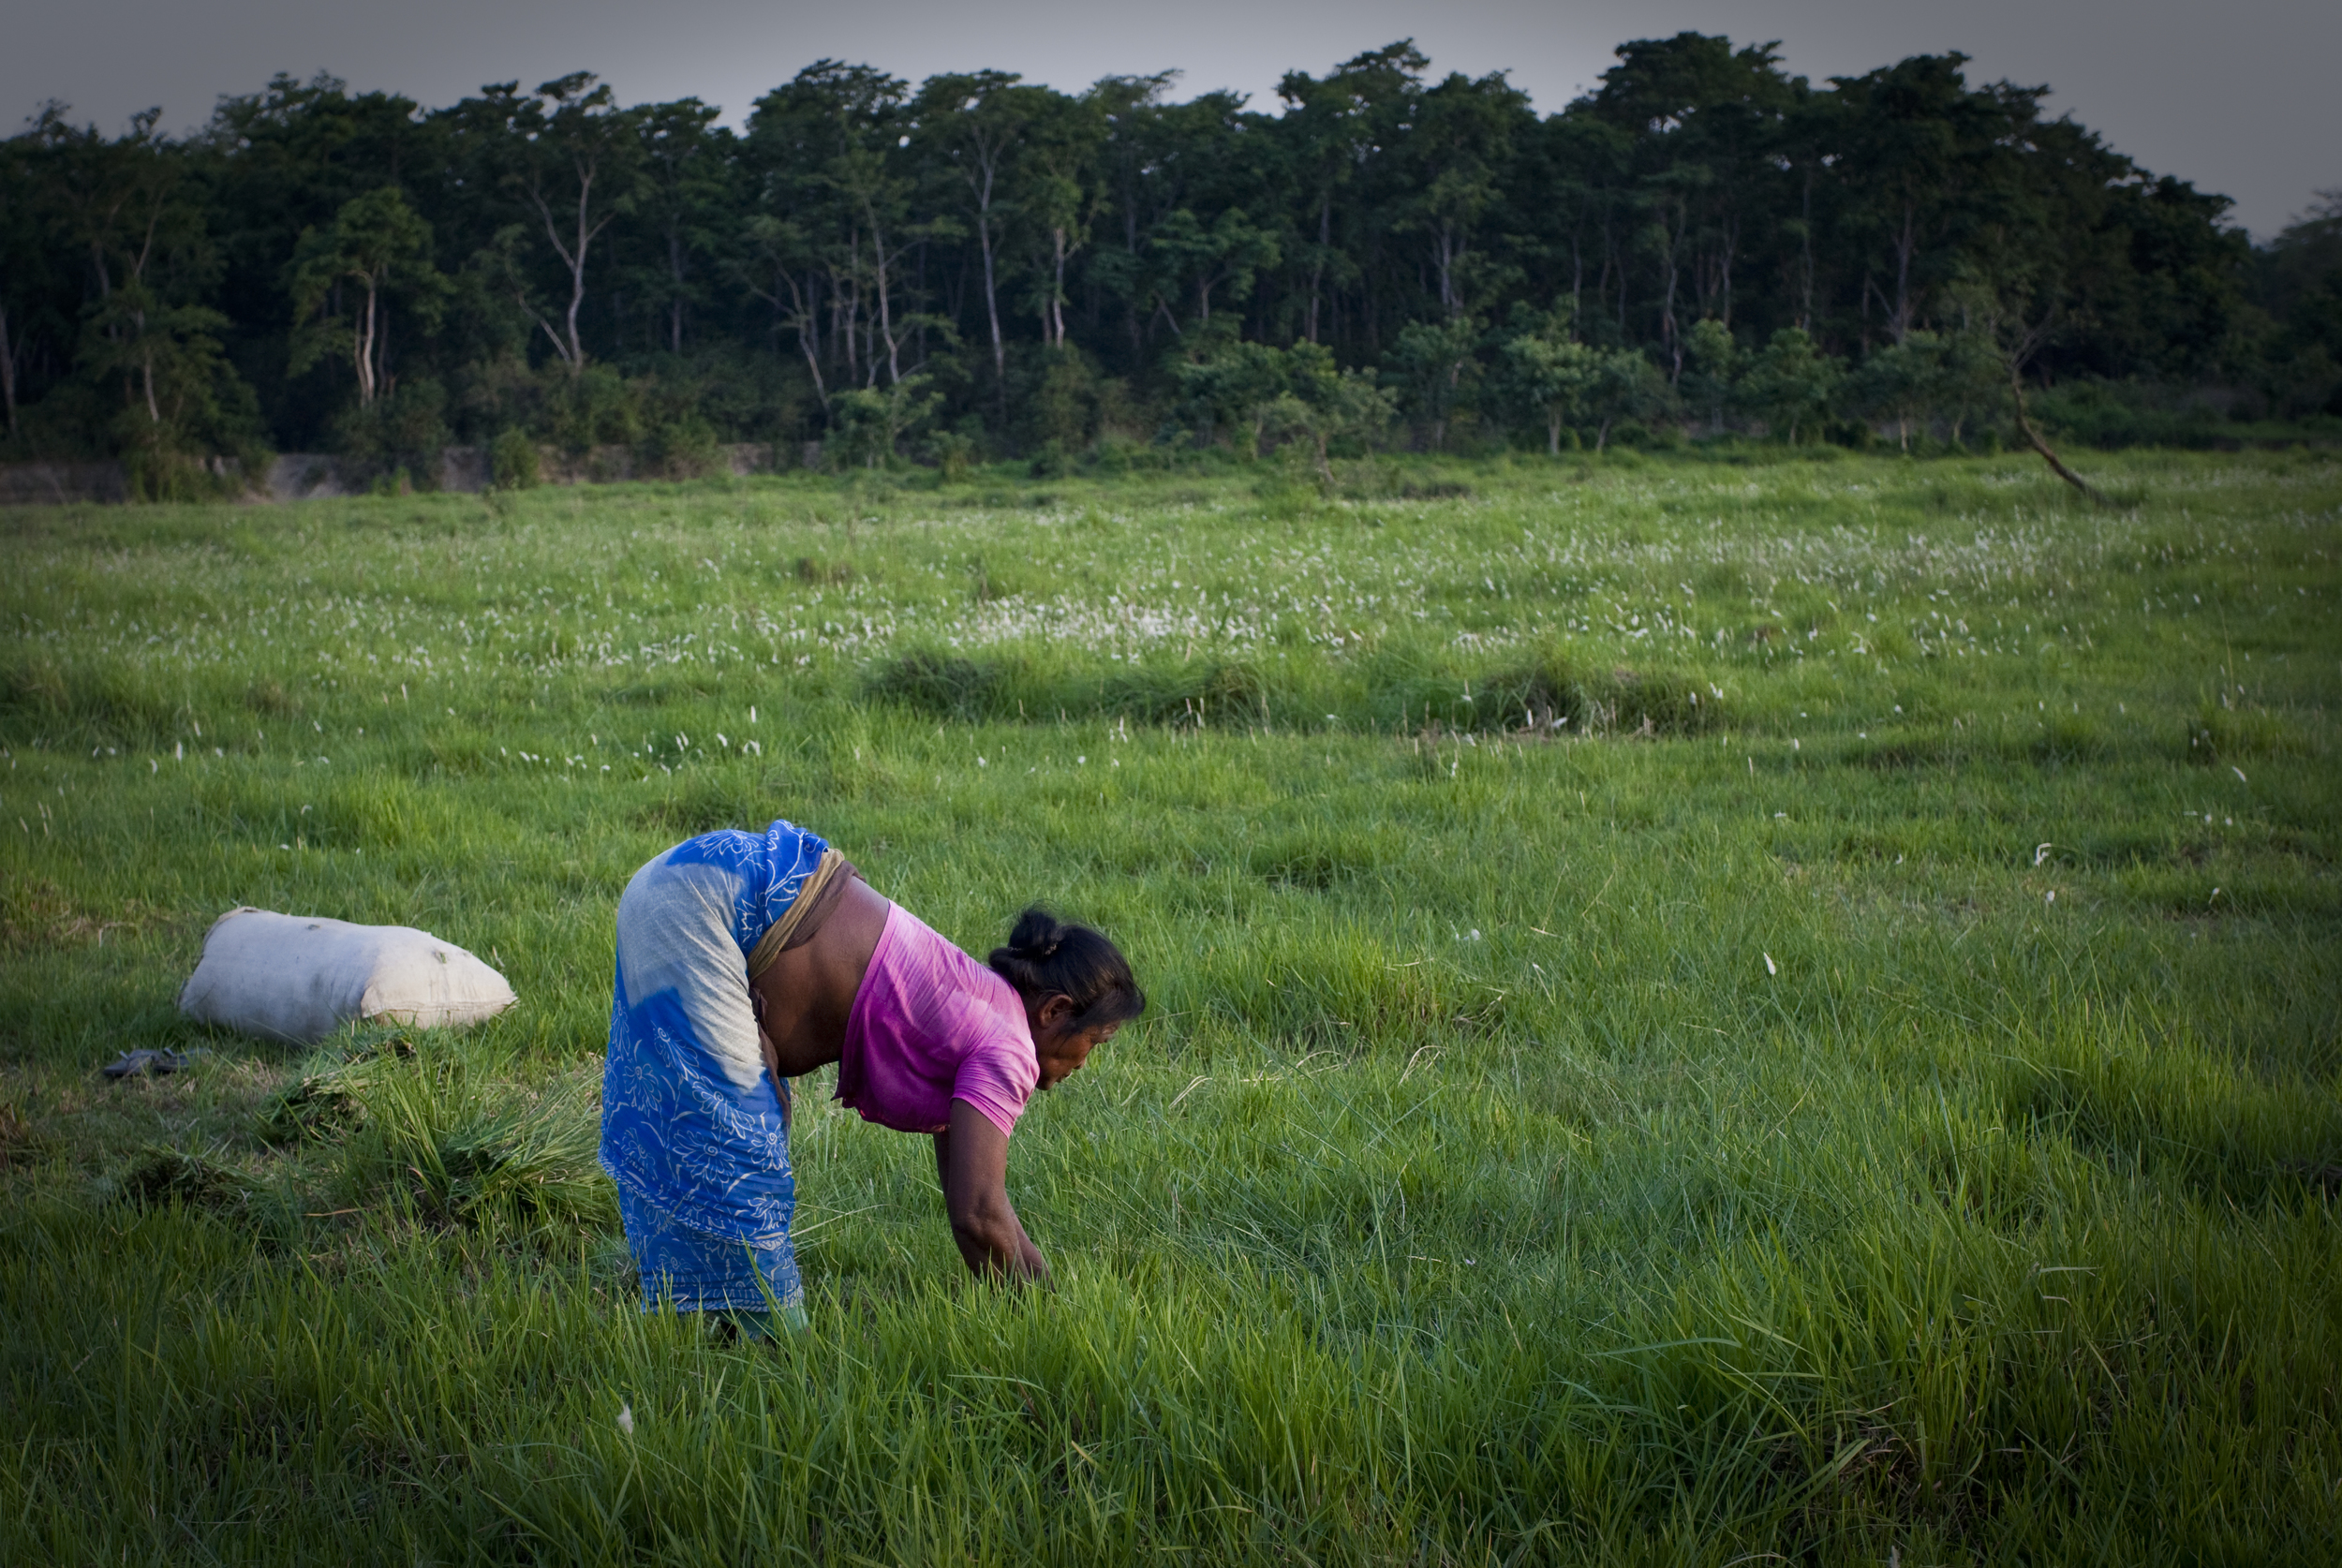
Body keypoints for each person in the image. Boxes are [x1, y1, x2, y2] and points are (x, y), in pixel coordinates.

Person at [598, 817, 1143, 1327]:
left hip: (700, 879)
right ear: (1054, 1011)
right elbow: (979, 1215)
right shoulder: (1008, 1046)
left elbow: (970, 1203)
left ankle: (690, 1317)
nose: (1085, 1062)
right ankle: (758, 1346)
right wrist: (1054, 1316)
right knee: (738, 1151)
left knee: (711, 1123)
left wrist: (1026, 1299)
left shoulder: (977, 1013)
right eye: (1094, 1041)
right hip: (706, 903)